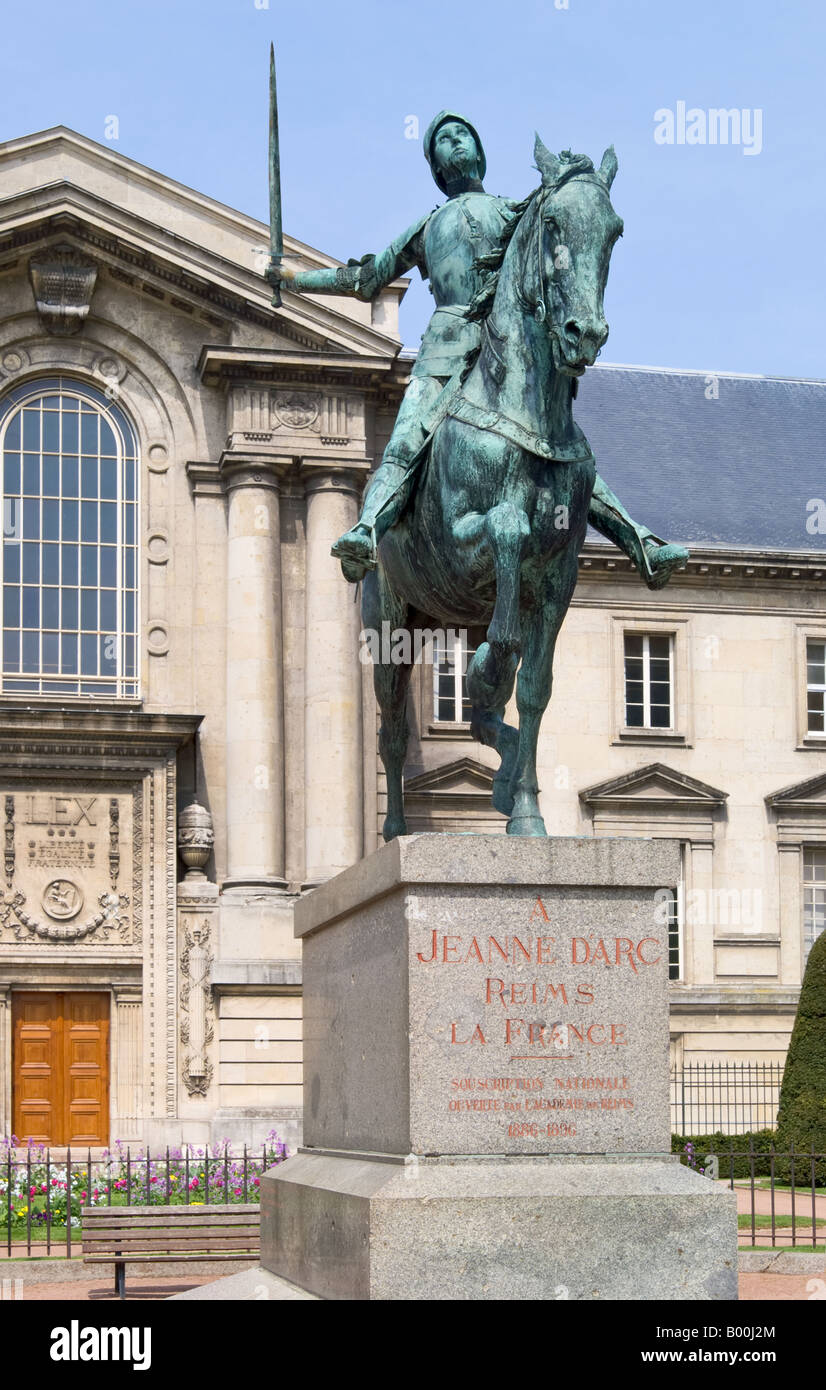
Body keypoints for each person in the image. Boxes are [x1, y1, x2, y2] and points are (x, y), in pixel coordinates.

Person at [269, 111, 688, 588]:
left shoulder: (515, 212)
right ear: (436, 164)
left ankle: (638, 541)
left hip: (507, 352)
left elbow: (558, 245)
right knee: (407, 438)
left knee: (560, 444)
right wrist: (295, 280)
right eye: (443, 141)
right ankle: (367, 530)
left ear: (480, 149)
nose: (455, 143)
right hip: (445, 355)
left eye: (462, 134)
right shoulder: (426, 228)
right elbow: (365, 278)